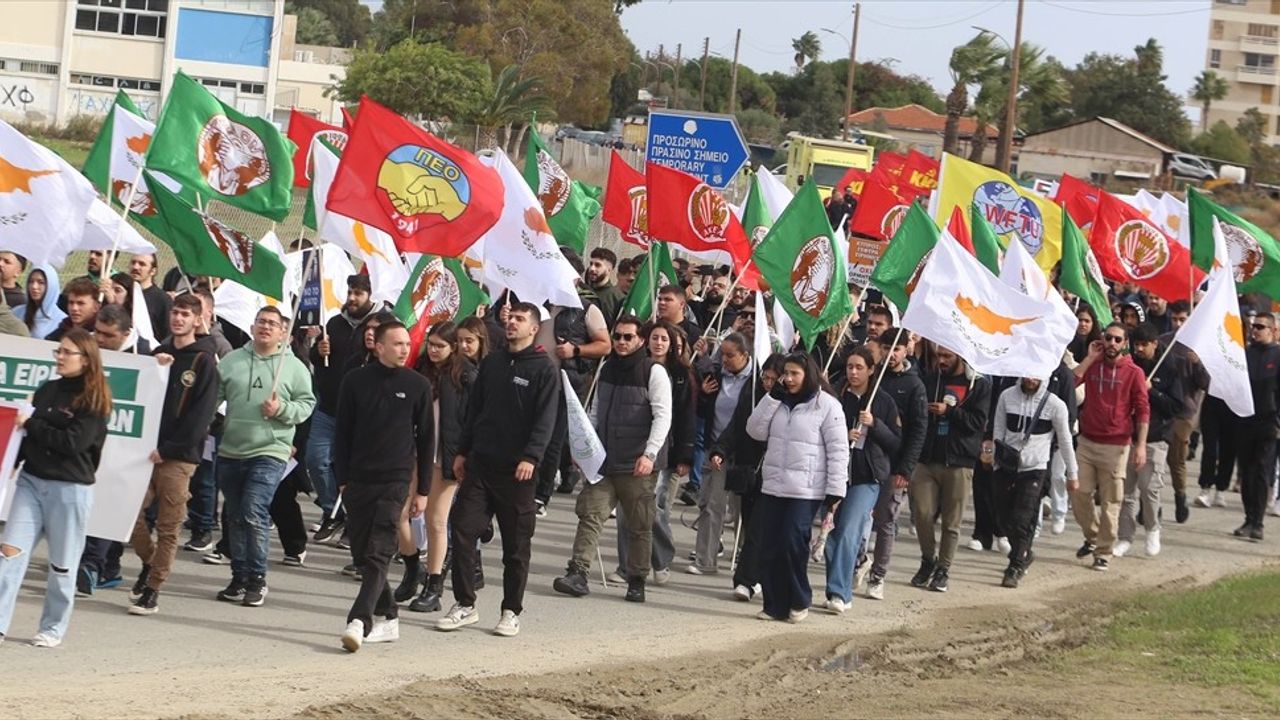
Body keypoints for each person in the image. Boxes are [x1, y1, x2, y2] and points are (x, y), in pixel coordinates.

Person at [437, 302, 559, 637]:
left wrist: (531, 457)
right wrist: (462, 452)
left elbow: (546, 420)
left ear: (534, 328)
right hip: (481, 465)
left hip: (517, 472)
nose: (512, 322)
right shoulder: (492, 362)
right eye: (511, 317)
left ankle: (511, 610)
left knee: (515, 547)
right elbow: (475, 411)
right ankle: (465, 603)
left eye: (520, 319)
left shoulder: (544, 369)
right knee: (462, 529)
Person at [0, 329, 111, 647]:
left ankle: (52, 628)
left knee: (62, 565)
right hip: (31, 483)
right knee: (9, 555)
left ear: (86, 359)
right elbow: (26, 436)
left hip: (70, 490)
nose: (60, 357)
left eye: (67, 352)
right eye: (58, 351)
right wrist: (12, 463)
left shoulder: (95, 400)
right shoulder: (47, 390)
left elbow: (72, 443)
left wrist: (32, 424)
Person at [553, 315, 672, 603]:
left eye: (627, 337)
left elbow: (662, 416)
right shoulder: (606, 369)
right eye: (617, 336)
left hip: (637, 464)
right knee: (590, 515)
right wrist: (584, 450)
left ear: (640, 340)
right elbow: (594, 411)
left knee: (639, 525)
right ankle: (578, 572)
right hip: (605, 461)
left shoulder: (653, 372)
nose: (621, 342)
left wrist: (650, 454)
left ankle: (637, 579)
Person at [335, 322, 434, 652]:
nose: (405, 349)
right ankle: (389, 615)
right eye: (397, 344)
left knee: (378, 551)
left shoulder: (418, 385)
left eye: (407, 343)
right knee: (362, 554)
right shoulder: (354, 381)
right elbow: (342, 433)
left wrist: (422, 490)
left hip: (396, 480)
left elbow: (427, 440)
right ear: (378, 347)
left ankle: (358, 620)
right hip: (358, 479)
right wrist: (342, 479)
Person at [125, 294, 221, 615]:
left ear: (197, 320)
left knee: (169, 526)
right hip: (146, 452)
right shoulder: (160, 354)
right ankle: (150, 562)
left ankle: (153, 588)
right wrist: (154, 368)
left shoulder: (204, 361)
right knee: (131, 515)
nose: (178, 319)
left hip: (178, 458)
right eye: (175, 313)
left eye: (185, 314)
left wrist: (167, 450)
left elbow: (200, 417)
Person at [213, 307, 316, 607]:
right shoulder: (232, 361)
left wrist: (282, 409)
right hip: (231, 449)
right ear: (252, 326)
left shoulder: (293, 367)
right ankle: (239, 577)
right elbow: (211, 398)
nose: (266, 327)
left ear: (283, 332)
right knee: (234, 515)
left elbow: (306, 404)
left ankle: (257, 578)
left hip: (270, 450)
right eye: (261, 322)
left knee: (253, 511)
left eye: (273, 324)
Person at [746, 353, 848, 623]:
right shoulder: (777, 401)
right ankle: (774, 605)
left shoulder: (827, 405)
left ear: (808, 375)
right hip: (773, 485)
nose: (789, 379)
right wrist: (771, 398)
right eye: (786, 374)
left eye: (795, 374)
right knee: (769, 544)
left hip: (806, 489)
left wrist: (836, 489)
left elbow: (838, 449)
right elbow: (754, 430)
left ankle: (799, 598)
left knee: (792, 542)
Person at [612, 320, 695, 587]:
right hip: (629, 449)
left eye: (664, 339)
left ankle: (661, 558)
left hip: (661, 451)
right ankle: (626, 567)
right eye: (655, 338)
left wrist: (684, 455)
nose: (658, 343)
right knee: (626, 510)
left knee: (650, 509)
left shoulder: (681, 374)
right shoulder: (633, 368)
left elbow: (685, 417)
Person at [407, 322, 477, 613]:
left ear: (454, 347)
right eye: (431, 344)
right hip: (414, 453)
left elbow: (473, 419)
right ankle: (412, 567)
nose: (433, 350)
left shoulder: (466, 375)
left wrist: (464, 454)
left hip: (446, 456)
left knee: (436, 520)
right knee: (400, 513)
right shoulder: (420, 369)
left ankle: (434, 585)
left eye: (440, 345)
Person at [824, 347, 900, 613]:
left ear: (870, 370)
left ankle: (839, 592)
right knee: (831, 534)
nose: (853, 372)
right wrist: (843, 435)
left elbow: (895, 442)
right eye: (849, 367)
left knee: (848, 532)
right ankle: (836, 588)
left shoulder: (883, 401)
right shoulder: (834, 396)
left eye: (859, 367)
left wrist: (875, 425)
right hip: (835, 474)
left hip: (867, 477)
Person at [910, 345, 990, 593]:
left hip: (959, 461)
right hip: (928, 458)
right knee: (922, 513)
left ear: (960, 357)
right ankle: (928, 559)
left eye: (947, 356)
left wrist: (951, 412)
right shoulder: (930, 379)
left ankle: (943, 569)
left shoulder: (978, 385)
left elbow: (977, 423)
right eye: (939, 356)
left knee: (951, 522)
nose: (942, 361)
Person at [1071, 322, 1149, 571]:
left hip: (1117, 446)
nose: (1112, 343)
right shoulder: (1093, 364)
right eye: (1108, 338)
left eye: (1117, 339)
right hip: (1087, 441)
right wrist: (1088, 358)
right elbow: (1069, 385)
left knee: (1110, 502)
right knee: (1078, 492)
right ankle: (1093, 537)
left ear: (1125, 344)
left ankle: (1104, 552)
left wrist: (1141, 446)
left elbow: (1143, 410)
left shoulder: (1134, 372)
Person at [989, 375, 1077, 588]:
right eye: (1027, 374)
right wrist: (995, 461)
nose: (1030, 379)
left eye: (1035, 375)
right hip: (1006, 465)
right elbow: (998, 430)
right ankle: (1024, 553)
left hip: (1035, 469)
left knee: (1022, 518)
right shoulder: (1006, 396)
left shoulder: (1055, 404)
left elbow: (1065, 439)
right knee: (1003, 518)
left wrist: (1072, 474)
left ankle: (1016, 565)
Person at [309, 274, 376, 542]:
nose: (352, 298)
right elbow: (316, 358)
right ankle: (333, 511)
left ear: (370, 295)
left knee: (354, 471)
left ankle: (354, 522)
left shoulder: (378, 325)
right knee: (316, 461)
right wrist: (319, 351)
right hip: (328, 408)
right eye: (350, 292)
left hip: (360, 416)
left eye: (358, 293)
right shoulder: (334, 323)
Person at [712, 354, 782, 601]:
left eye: (774, 379)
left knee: (762, 530)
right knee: (752, 526)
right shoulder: (752, 394)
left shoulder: (793, 402)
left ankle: (747, 579)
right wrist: (720, 450)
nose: (768, 383)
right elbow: (736, 426)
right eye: (765, 377)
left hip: (778, 476)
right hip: (750, 471)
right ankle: (756, 576)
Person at [1112, 323, 1183, 559]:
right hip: (1127, 435)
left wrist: (1152, 391)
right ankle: (1125, 537)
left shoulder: (1170, 366)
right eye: (1137, 345)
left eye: (1144, 345)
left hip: (1156, 436)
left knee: (1149, 488)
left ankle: (1153, 529)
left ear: (1154, 343)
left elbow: (1176, 407)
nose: (1139, 349)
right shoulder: (1129, 363)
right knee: (1126, 491)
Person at [866, 329, 927, 600]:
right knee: (857, 518)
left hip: (894, 465)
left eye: (896, 349)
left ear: (906, 351)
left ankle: (878, 575)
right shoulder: (871, 376)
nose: (890, 354)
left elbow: (918, 431)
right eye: (886, 347)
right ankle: (858, 562)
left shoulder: (915, 386)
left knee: (885, 520)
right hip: (866, 459)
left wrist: (906, 469)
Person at [688, 332, 753, 575]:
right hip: (716, 449)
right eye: (722, 354)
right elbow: (701, 411)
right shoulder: (716, 375)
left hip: (744, 453)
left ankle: (745, 560)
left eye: (730, 355)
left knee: (742, 510)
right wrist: (704, 395)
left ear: (745, 355)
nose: (724, 360)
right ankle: (705, 560)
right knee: (711, 505)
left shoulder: (756, 381)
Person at [1233, 312, 1280, 541]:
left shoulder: (1277, 355)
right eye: (1254, 326)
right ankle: (1248, 517)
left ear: (1273, 330)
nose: (1256, 330)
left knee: (1262, 470)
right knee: (1246, 471)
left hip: (1268, 422)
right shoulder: (1246, 354)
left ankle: (1258, 522)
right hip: (1245, 420)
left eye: (1261, 326)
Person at [1162, 301, 1206, 523]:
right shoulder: (1163, 342)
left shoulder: (1198, 345)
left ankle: (1180, 495)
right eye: (1175, 319)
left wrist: (1197, 363)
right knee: (1153, 458)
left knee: (1176, 459)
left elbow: (1206, 383)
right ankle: (1149, 502)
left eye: (1183, 319)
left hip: (1184, 411)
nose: (1178, 324)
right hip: (1161, 407)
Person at [15, 265, 65, 340]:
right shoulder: (16, 312)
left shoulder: (62, 321)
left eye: (41, 282)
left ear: (51, 285)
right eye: (31, 281)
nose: (34, 286)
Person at [130, 253, 172, 340]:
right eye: (133, 262)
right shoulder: (124, 293)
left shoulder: (162, 299)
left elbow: (167, 334)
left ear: (153, 271)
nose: (135, 267)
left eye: (142, 264)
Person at [586, 248, 624, 326]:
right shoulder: (583, 291)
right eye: (591, 264)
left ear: (609, 269)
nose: (592, 268)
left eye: (597, 265)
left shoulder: (617, 297)